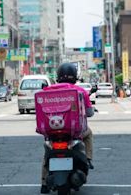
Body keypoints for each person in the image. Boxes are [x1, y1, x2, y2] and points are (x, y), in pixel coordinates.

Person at [40, 63, 95, 194]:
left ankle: (43, 183)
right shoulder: (81, 91)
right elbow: (89, 113)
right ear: (75, 77)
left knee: (47, 152)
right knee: (89, 133)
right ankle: (88, 159)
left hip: (52, 132)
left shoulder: (47, 90)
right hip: (74, 132)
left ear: (58, 76)